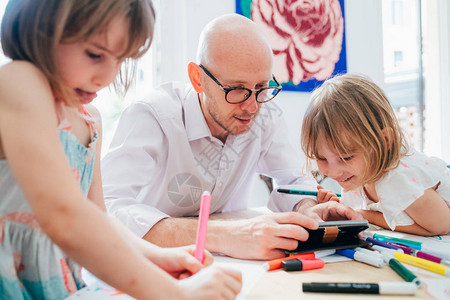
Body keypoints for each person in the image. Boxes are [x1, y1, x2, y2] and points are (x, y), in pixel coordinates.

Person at [0, 1, 242, 299]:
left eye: (121, 60)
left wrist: (158, 258)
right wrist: (176, 294)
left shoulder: (91, 121)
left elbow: (98, 220)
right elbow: (65, 217)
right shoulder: (19, 80)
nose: (107, 76)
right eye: (94, 54)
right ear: (41, 30)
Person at [102, 13, 360, 260]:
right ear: (198, 78)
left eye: (261, 87)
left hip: (229, 264)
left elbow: (291, 178)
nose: (252, 107)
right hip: (147, 264)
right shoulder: (152, 116)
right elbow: (107, 209)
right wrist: (225, 235)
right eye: (237, 89)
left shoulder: (264, 114)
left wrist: (307, 209)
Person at [301, 73, 450, 236]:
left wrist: (366, 216)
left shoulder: (397, 176)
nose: (333, 172)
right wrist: (337, 208)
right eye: (321, 158)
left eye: (346, 157)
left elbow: (440, 226)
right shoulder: (360, 173)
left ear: (385, 140)